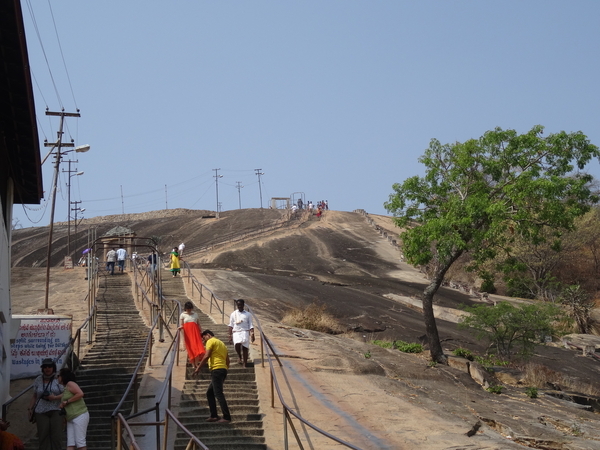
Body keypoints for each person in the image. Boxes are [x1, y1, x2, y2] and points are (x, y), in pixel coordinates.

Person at [193, 330, 231, 423]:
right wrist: (224, 369)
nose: (204, 341)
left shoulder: (211, 341)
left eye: (204, 338)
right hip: (222, 369)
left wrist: (198, 368)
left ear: (208, 335)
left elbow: (206, 356)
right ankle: (214, 415)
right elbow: (228, 360)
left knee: (218, 393)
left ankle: (227, 417)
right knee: (210, 393)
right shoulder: (222, 343)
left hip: (216, 369)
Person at [28, 358, 64, 450]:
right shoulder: (38, 379)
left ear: (53, 368)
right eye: (45, 367)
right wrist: (30, 408)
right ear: (42, 368)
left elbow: (66, 393)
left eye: (50, 366)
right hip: (41, 410)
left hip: (56, 409)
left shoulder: (58, 378)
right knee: (43, 436)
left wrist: (55, 397)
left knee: (56, 436)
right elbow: (35, 395)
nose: (47, 368)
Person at [55, 368, 89, 450]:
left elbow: (80, 393)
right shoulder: (66, 388)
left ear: (63, 376)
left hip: (79, 415)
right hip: (70, 418)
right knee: (70, 443)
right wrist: (54, 398)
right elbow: (63, 395)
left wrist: (67, 402)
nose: (57, 378)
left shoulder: (70, 383)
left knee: (80, 442)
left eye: (59, 376)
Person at [228, 299, 255, 367]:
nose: (239, 306)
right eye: (238, 305)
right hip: (236, 332)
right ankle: (240, 356)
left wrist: (252, 334)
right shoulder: (233, 314)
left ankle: (245, 362)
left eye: (240, 305)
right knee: (237, 344)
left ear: (243, 305)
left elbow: (251, 325)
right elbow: (231, 325)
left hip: (245, 331)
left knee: (245, 347)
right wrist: (229, 335)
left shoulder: (248, 314)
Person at [179, 301, 205, 369]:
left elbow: (198, 324)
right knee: (190, 349)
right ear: (185, 308)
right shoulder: (182, 315)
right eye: (188, 309)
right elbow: (181, 325)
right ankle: (193, 364)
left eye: (190, 308)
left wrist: (201, 332)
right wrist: (181, 328)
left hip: (195, 333)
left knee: (197, 348)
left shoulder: (195, 314)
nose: (189, 310)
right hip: (188, 334)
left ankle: (196, 364)